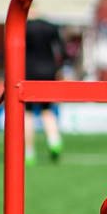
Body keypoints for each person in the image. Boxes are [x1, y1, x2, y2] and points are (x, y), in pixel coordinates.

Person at [23, 10, 65, 164]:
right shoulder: (51, 27)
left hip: (28, 70)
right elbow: (62, 50)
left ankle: (29, 152)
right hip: (49, 70)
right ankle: (54, 140)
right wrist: (58, 68)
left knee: (27, 113)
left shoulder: (23, 27)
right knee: (47, 109)